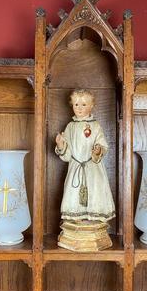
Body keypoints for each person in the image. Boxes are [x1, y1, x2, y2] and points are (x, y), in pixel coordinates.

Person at [55, 89, 115, 223]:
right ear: (72, 106)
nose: (79, 108)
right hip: (75, 167)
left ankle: (93, 220)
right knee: (74, 194)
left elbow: (103, 145)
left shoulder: (96, 126)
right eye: (76, 104)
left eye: (83, 104)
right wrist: (60, 145)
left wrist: (98, 150)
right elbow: (66, 155)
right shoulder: (70, 126)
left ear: (91, 106)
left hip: (93, 169)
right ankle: (76, 222)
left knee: (95, 192)